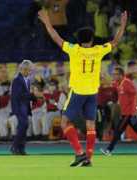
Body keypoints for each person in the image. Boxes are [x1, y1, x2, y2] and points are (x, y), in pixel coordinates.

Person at [38, 9, 127, 166]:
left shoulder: (74, 50)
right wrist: (123, 24)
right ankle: (89, 158)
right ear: (92, 39)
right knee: (90, 125)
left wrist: (46, 22)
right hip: (92, 92)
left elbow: (56, 37)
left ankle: (79, 153)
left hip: (78, 92)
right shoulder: (98, 50)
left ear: (78, 40)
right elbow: (115, 41)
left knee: (65, 122)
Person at [101, 67, 137, 155]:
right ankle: (109, 150)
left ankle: (108, 150)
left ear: (120, 75)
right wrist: (103, 76)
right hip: (125, 113)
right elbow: (108, 83)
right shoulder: (117, 83)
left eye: (115, 74)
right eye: (113, 74)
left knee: (118, 130)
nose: (114, 76)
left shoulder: (127, 82)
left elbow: (135, 94)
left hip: (129, 113)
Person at [10, 60, 35, 155]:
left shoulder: (27, 80)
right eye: (27, 70)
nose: (28, 72)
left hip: (24, 107)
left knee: (24, 126)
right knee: (22, 126)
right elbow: (19, 95)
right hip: (19, 107)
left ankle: (21, 148)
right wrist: (33, 95)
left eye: (29, 70)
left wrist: (33, 97)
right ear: (22, 69)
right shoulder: (17, 80)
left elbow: (25, 95)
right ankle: (15, 146)